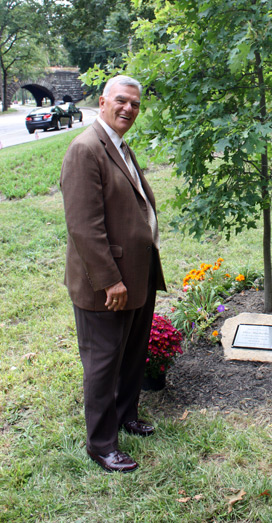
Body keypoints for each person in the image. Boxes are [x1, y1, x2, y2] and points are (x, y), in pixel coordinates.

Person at [60, 74, 166, 473]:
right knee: (103, 362)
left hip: (137, 274)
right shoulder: (85, 149)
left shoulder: (117, 145)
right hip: (108, 284)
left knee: (131, 355)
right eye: (121, 101)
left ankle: (126, 415)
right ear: (102, 102)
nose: (128, 109)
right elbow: (84, 227)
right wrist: (110, 280)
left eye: (135, 104)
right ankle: (101, 444)